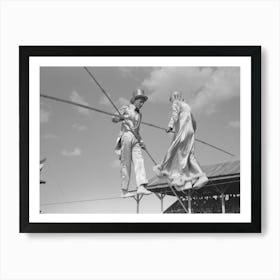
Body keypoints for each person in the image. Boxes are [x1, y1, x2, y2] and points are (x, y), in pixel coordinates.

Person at [153, 91, 208, 191]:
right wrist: (191, 133)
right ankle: (196, 179)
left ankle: (163, 169)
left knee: (176, 152)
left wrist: (170, 126)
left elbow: (174, 115)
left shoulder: (176, 103)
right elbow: (194, 122)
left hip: (183, 132)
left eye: (171, 100)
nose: (171, 103)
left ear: (174, 97)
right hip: (190, 132)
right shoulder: (187, 106)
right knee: (189, 156)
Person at [112, 89, 151, 197]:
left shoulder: (140, 115)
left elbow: (137, 130)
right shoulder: (126, 108)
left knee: (139, 160)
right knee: (126, 163)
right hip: (126, 135)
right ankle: (124, 190)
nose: (142, 104)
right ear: (135, 100)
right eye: (141, 101)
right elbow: (113, 119)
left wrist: (141, 141)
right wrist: (120, 117)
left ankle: (141, 186)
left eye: (143, 102)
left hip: (135, 137)